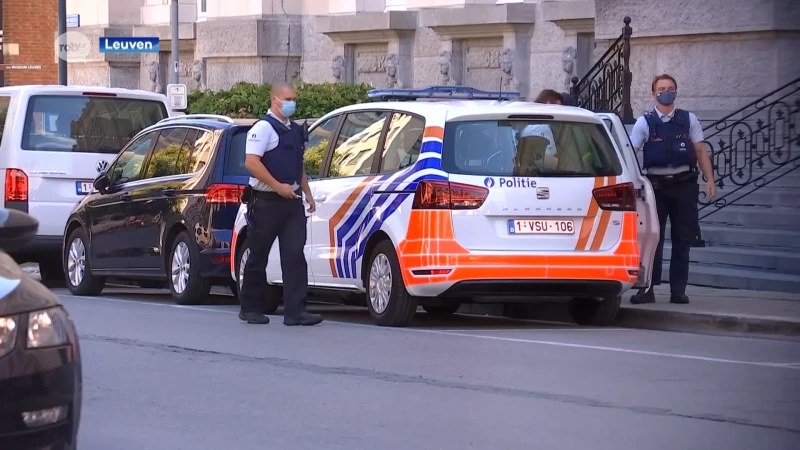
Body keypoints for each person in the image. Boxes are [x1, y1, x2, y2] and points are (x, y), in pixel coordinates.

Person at [239, 81, 323, 326]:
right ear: (274, 99)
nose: (291, 103)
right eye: (287, 99)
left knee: (294, 255)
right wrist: (278, 186)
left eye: (293, 99)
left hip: (292, 202)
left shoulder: (294, 130)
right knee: (258, 255)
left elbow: (298, 166)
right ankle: (251, 307)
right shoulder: (263, 128)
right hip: (266, 201)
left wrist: (306, 193)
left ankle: (296, 312)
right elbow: (252, 163)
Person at [629, 74, 715, 305]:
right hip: (655, 189)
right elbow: (630, 152)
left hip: (684, 186)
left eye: (670, 88)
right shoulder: (644, 122)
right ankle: (647, 289)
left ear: (676, 91)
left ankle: (678, 290)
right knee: (652, 240)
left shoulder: (689, 120)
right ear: (653, 93)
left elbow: (699, 151)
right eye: (662, 89)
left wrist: (710, 179)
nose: (666, 92)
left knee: (682, 240)